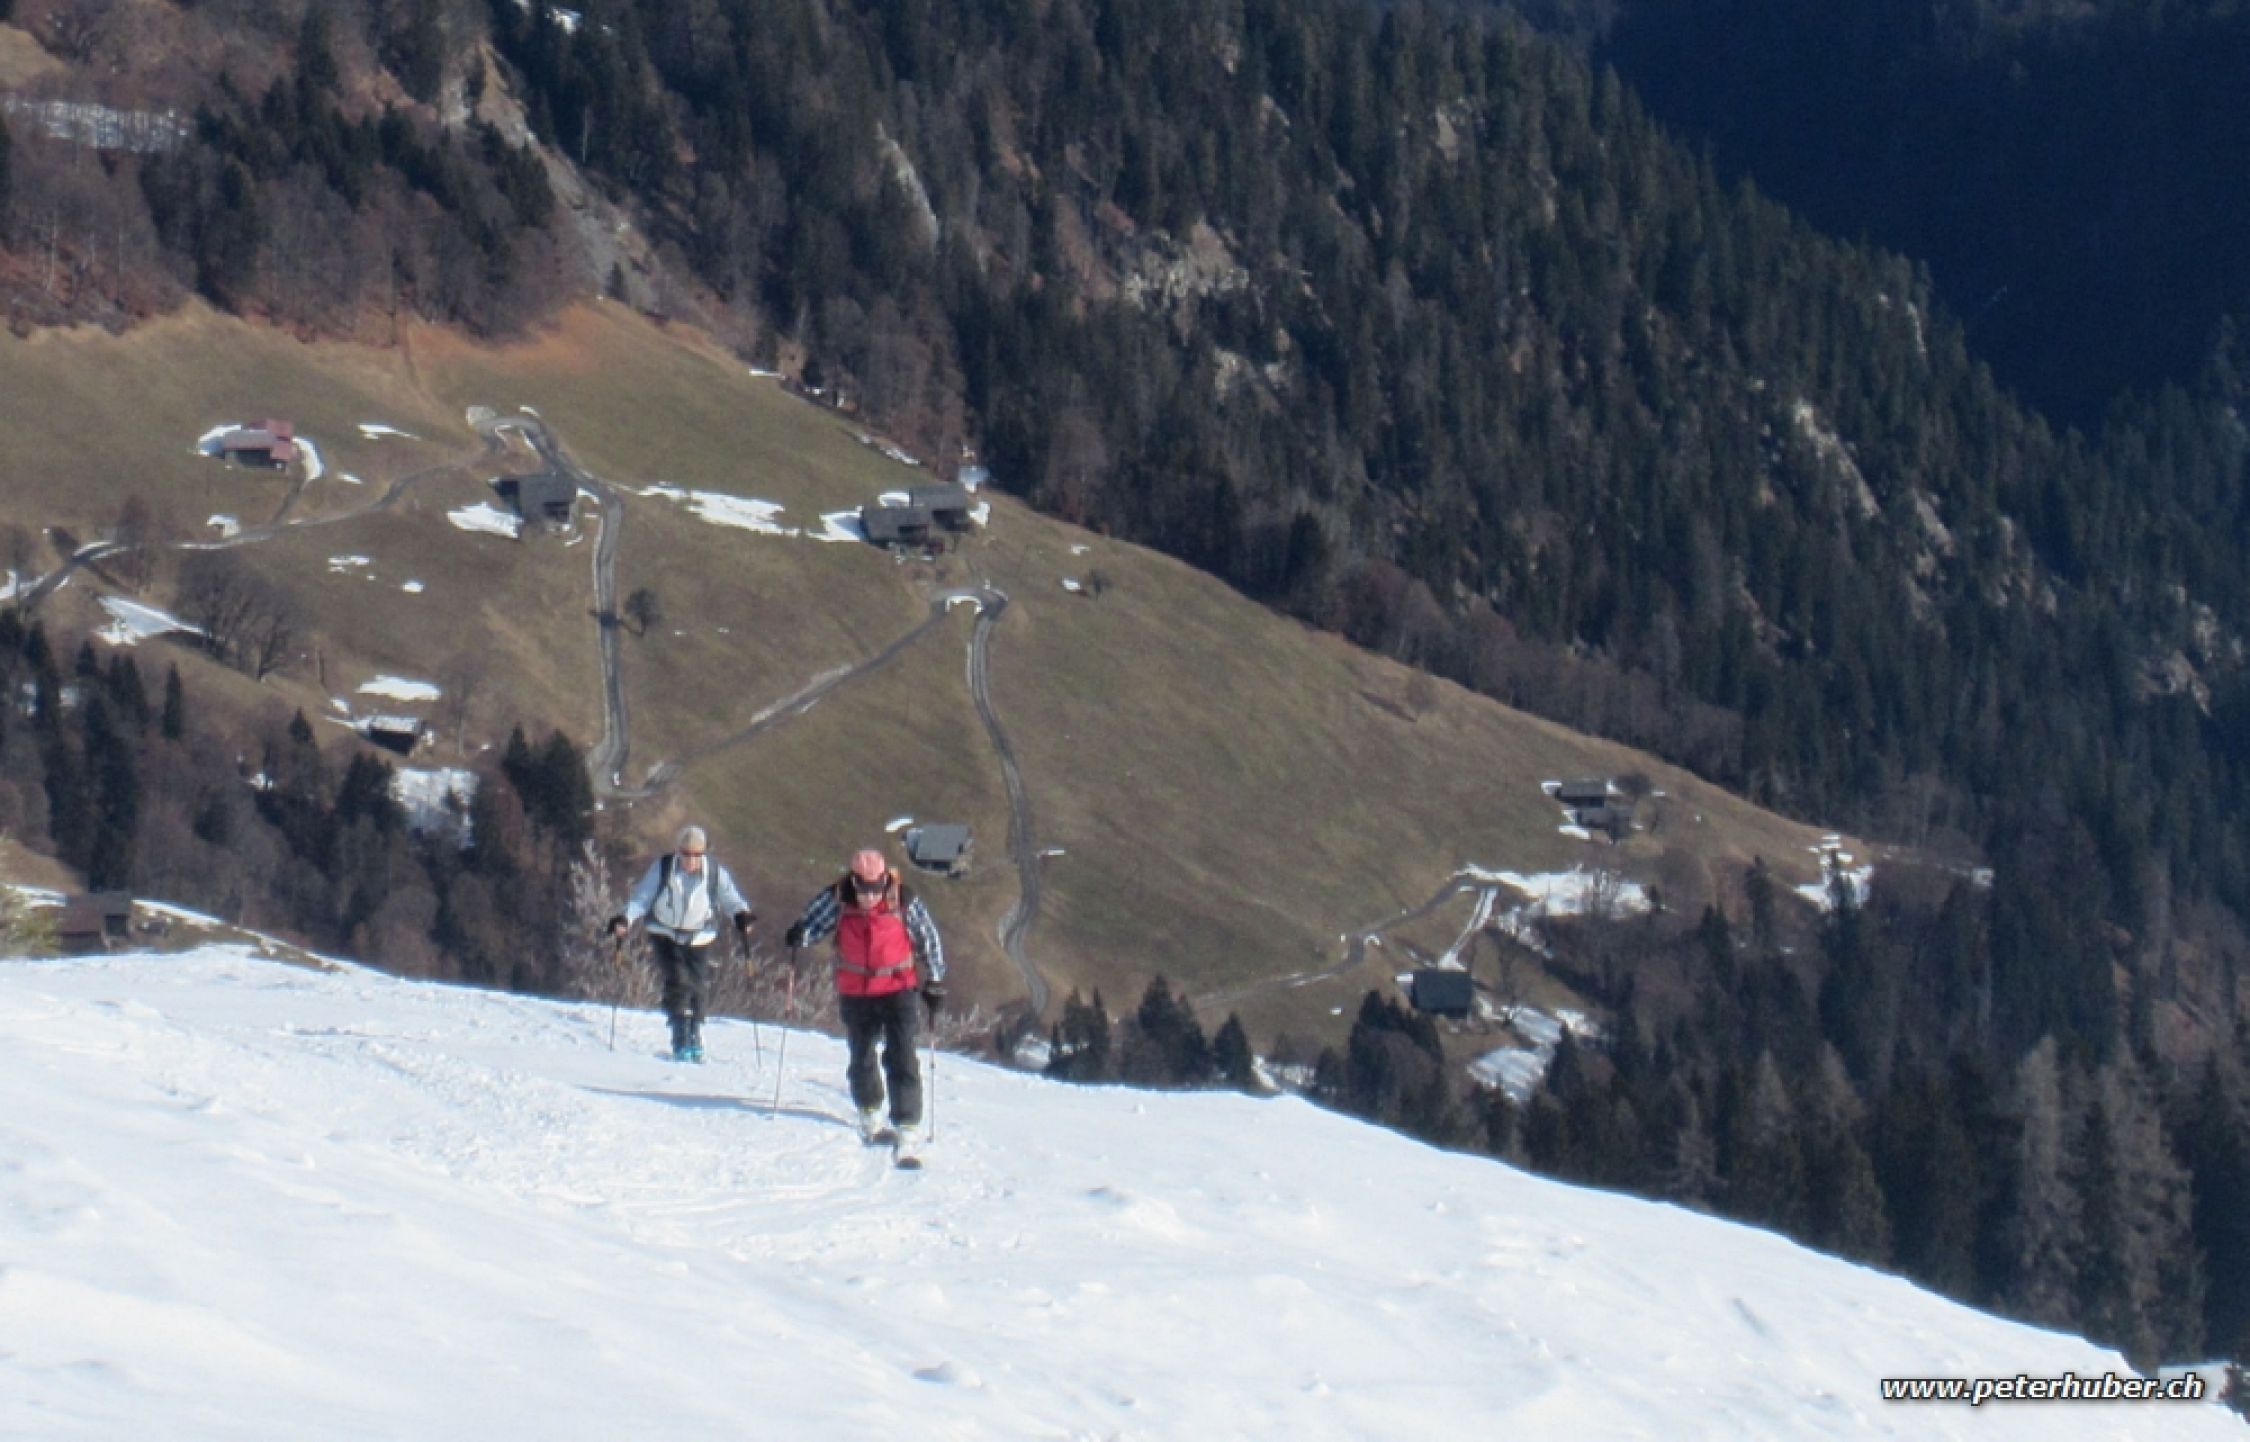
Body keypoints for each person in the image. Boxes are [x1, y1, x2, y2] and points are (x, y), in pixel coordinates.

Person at [783, 847, 946, 1158]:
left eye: (875, 889)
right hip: (856, 989)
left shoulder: (903, 900)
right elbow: (813, 924)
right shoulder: (838, 898)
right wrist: (800, 935)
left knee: (902, 1053)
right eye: (864, 889)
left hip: (898, 986)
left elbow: (928, 937)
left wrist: (935, 979)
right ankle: (869, 1111)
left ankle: (907, 1123)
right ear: (854, 882)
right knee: (862, 1053)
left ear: (884, 881)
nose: (870, 896)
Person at [608, 826, 755, 1062]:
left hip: (700, 936)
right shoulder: (664, 868)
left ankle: (694, 1033)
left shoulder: (714, 872)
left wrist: (741, 915)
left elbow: (731, 899)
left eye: (697, 854)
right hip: (664, 933)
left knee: (698, 986)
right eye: (686, 854)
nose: (691, 860)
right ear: (678, 851)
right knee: (678, 981)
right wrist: (625, 918)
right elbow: (642, 897)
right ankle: (680, 1035)